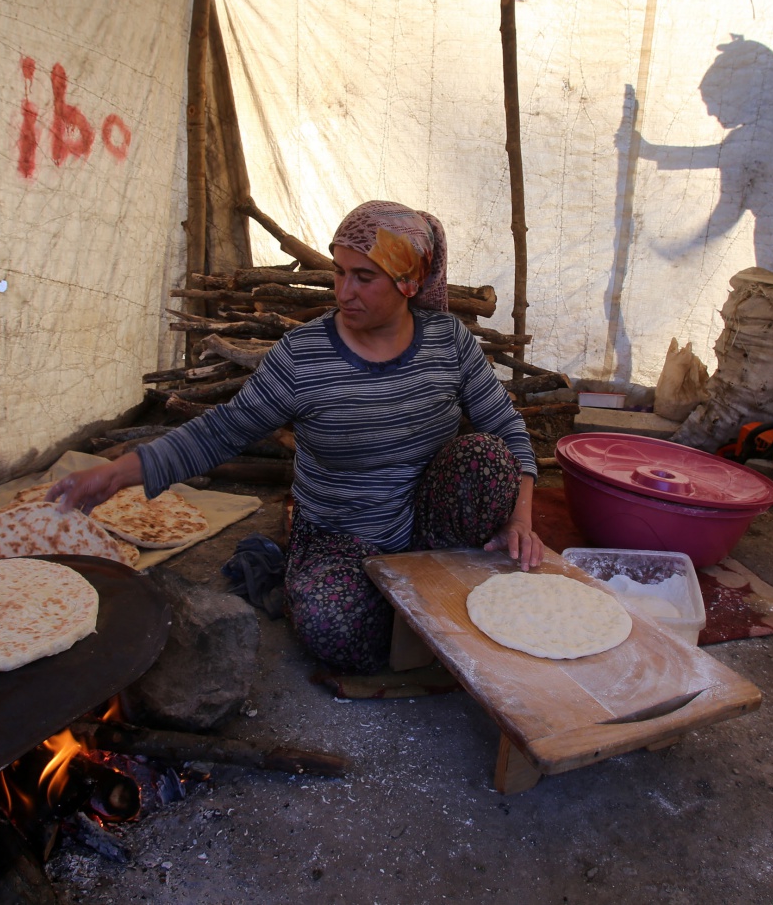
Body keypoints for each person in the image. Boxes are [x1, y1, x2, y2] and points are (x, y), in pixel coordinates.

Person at [50, 200, 541, 674]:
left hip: (429, 529)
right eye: (339, 271)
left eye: (364, 277)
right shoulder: (303, 357)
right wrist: (118, 474)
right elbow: (222, 430)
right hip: (340, 536)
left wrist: (520, 522)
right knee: (330, 622)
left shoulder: (447, 341)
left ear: (408, 281)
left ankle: (424, 590)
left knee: (487, 457)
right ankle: (415, 606)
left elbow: (506, 428)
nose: (344, 292)